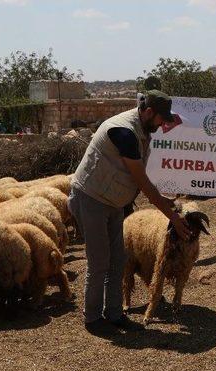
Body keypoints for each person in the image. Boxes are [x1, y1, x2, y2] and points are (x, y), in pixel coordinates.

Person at [68, 90, 192, 335]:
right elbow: (142, 181)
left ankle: (114, 314)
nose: (163, 123)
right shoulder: (124, 132)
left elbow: (135, 178)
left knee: (119, 260)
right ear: (148, 112)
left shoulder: (143, 129)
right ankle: (93, 319)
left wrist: (161, 199)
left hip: (113, 201)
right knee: (99, 262)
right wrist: (173, 218)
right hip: (91, 198)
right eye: (161, 118)